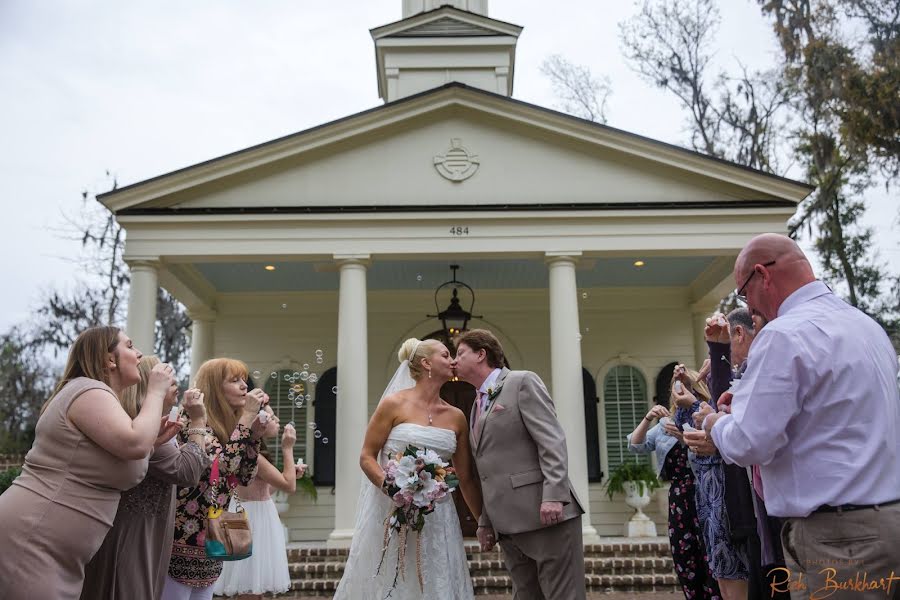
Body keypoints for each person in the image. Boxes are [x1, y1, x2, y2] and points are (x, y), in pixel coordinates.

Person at [685, 233, 900, 600]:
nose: (749, 308)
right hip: (888, 523)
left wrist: (712, 422)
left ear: (761, 276)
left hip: (836, 538)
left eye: (743, 293)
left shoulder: (784, 334)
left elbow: (748, 443)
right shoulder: (867, 327)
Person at [0, 326, 176, 600]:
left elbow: (128, 452)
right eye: (130, 346)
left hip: (59, 554)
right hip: (33, 539)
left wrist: (152, 444)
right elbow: (134, 443)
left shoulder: (104, 399)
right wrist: (155, 392)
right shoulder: (88, 390)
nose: (139, 353)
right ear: (109, 360)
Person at [334, 338, 482, 600]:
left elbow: (466, 477)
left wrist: (483, 521)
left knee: (436, 579)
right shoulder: (393, 405)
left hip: (439, 516)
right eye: (446, 355)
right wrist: (394, 490)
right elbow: (367, 456)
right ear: (426, 363)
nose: (453, 361)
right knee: (396, 579)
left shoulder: (456, 416)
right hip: (394, 510)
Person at [454, 328, 585, 600]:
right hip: (507, 524)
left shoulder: (522, 382)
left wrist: (554, 496)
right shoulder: (476, 404)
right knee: (525, 595)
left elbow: (552, 441)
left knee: (564, 595)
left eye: (460, 353)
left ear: (481, 354)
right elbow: (488, 471)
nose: (454, 360)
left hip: (544, 513)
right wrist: (485, 521)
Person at [82, 355, 210, 600]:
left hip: (149, 529)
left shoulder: (154, 425)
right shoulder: (141, 427)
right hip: (133, 534)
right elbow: (187, 472)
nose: (176, 385)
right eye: (168, 381)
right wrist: (198, 420)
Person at [162, 358, 268, 600]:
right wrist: (248, 416)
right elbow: (221, 469)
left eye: (244, 379)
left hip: (209, 542)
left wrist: (254, 437)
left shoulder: (225, 428)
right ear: (214, 388)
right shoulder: (193, 423)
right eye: (235, 380)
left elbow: (245, 477)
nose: (244, 386)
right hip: (182, 543)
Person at [627, 374, 721, 600]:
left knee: (710, 552)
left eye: (685, 387)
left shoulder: (707, 417)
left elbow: (711, 457)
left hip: (706, 491)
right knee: (684, 554)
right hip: (679, 496)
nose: (679, 392)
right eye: (675, 388)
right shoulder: (664, 425)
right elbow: (635, 445)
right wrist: (648, 417)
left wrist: (683, 439)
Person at [213, 414, 307, 600]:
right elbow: (289, 486)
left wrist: (290, 476)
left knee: (253, 587)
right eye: (271, 417)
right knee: (250, 587)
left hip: (256, 514)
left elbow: (263, 491)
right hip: (254, 520)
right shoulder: (254, 457)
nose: (277, 419)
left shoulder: (251, 454)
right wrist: (287, 448)